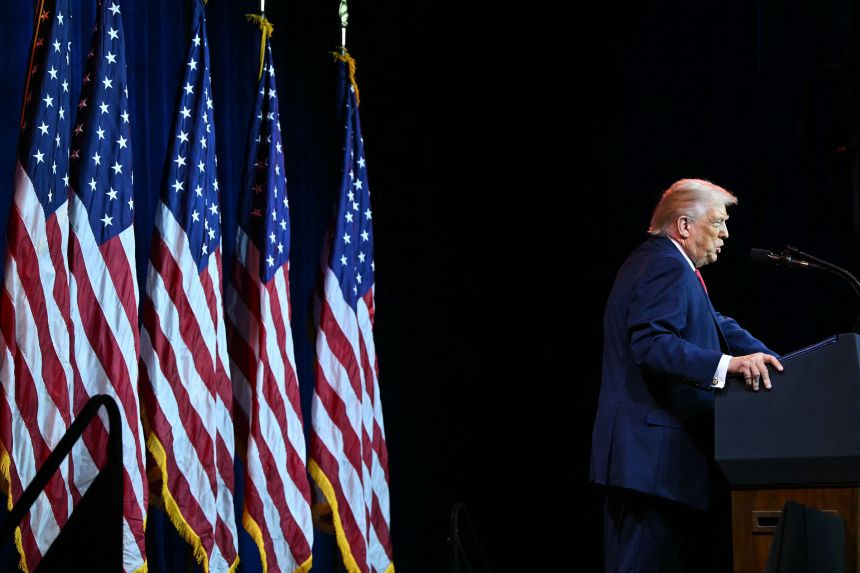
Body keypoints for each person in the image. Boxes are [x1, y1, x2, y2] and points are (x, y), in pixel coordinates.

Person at [589, 178, 783, 572]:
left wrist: (780, 361)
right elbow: (653, 345)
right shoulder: (664, 265)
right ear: (683, 225)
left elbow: (717, 324)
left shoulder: (666, 265)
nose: (726, 233)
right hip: (651, 464)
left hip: (649, 464)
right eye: (717, 223)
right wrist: (729, 366)